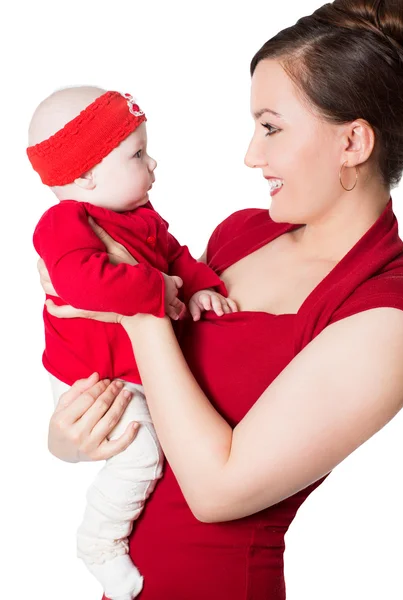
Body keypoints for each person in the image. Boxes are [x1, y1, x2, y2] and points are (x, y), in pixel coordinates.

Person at [39, 0, 403, 597]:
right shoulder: (241, 231)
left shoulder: (386, 317)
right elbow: (155, 396)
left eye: (271, 127)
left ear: (354, 142)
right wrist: (75, 435)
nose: (250, 155)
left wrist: (141, 308)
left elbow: (216, 492)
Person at [27, 86, 236, 600]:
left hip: (131, 368)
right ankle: (99, 540)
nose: (154, 164)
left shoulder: (139, 217)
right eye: (137, 155)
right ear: (85, 176)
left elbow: (176, 253)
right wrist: (157, 288)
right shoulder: (63, 223)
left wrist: (203, 284)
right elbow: (80, 282)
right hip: (90, 377)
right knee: (141, 455)